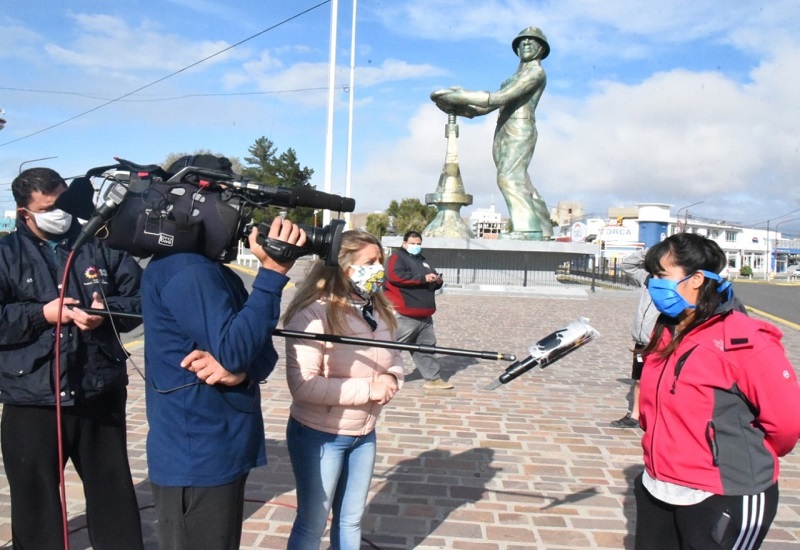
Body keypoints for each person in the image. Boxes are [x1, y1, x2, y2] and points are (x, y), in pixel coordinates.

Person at [141, 155, 307, 549]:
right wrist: (273, 274)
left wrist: (242, 373)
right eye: (230, 202)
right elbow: (236, 349)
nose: (239, 216)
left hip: (221, 446)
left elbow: (259, 354)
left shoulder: (213, 270)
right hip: (197, 455)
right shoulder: (187, 269)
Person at [0, 168, 144, 549]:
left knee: (112, 492)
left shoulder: (100, 245)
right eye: (49, 207)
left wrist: (107, 311)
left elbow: (144, 299)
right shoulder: (5, 254)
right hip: (32, 397)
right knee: (35, 502)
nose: (60, 213)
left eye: (64, 202)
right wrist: (41, 315)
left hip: (99, 390)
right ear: (24, 213)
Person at [634, 233, 800, 549]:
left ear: (696, 279)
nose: (653, 284)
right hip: (659, 486)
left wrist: (733, 453)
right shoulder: (666, 330)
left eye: (661, 276)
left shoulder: (745, 341)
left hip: (723, 493)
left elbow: (788, 424)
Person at [282, 230, 404, 550]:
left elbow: (394, 359)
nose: (379, 268)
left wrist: (391, 378)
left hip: (365, 433)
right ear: (343, 266)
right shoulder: (313, 312)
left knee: (350, 520)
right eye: (370, 262)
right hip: (320, 434)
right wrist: (369, 389)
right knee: (313, 522)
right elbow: (303, 385)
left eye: (381, 261)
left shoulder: (380, 309)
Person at [431, 27, 552, 240]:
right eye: (521, 42)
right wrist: (459, 107)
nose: (525, 45)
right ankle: (544, 228)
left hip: (520, 127)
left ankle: (527, 230)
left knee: (508, 177)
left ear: (541, 48)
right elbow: (487, 108)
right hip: (505, 128)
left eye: (531, 42)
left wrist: (462, 95)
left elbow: (499, 97)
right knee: (521, 179)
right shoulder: (518, 74)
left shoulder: (535, 72)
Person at [384, 231, 453, 390]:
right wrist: (422, 279)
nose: (416, 246)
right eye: (413, 243)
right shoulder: (397, 258)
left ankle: (433, 379)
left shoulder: (422, 260)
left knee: (427, 347)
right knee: (391, 347)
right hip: (405, 313)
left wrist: (437, 281)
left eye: (418, 243)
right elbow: (395, 276)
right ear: (404, 243)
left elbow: (430, 277)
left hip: (424, 315)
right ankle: (373, 374)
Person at [610, 248, 658, 428]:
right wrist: (648, 253)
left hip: (659, 340)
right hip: (640, 340)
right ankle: (635, 416)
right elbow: (626, 265)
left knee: (658, 381)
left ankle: (657, 416)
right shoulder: (646, 278)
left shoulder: (674, 283)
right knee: (638, 380)